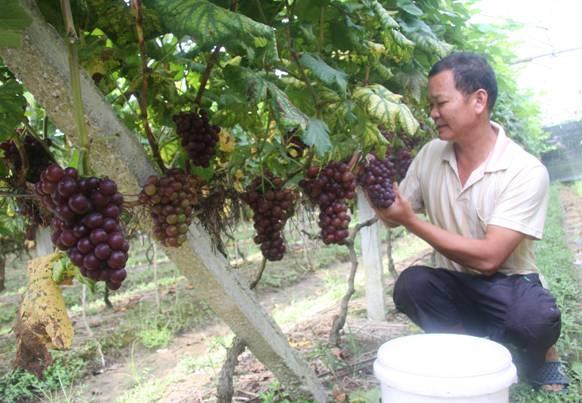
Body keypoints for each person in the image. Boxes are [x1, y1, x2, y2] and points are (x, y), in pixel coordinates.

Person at [370, 52, 569, 392]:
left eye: (440, 102)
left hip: (509, 285)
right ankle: (470, 354)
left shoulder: (524, 170)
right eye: (431, 104)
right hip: (453, 281)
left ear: (479, 100)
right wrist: (375, 190)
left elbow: (490, 258)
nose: (432, 113)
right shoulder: (431, 154)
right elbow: (394, 215)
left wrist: (411, 222)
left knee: (533, 319)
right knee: (412, 284)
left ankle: (541, 355)